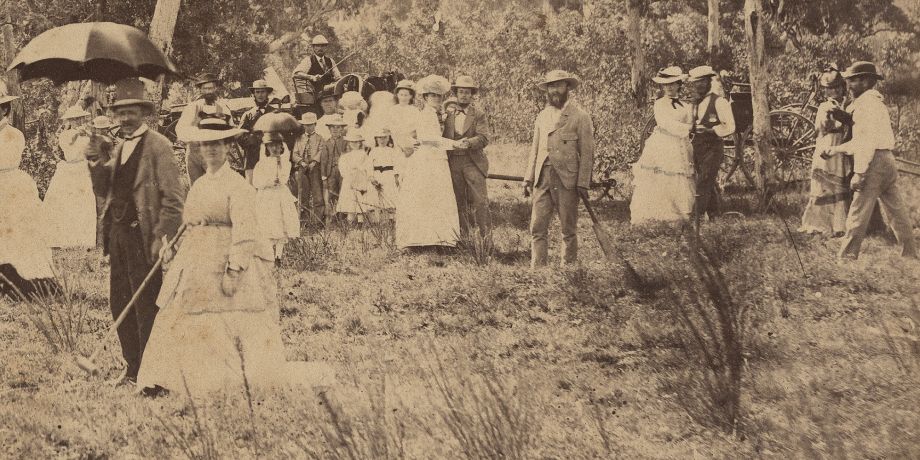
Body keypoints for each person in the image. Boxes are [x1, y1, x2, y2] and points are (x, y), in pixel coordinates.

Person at [136, 126, 297, 396]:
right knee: (181, 311)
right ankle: (169, 377)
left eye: (217, 144)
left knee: (228, 317)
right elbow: (189, 223)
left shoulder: (238, 186)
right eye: (204, 145)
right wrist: (172, 247)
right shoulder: (199, 184)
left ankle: (219, 380)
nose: (210, 150)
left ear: (228, 147)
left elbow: (245, 233)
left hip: (224, 260)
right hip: (196, 258)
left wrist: (234, 270)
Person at [86, 78, 185, 386]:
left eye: (132, 112)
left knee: (145, 304)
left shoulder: (159, 146)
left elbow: (174, 200)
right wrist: (95, 160)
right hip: (117, 235)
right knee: (120, 301)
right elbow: (105, 190)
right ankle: (132, 368)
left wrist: (160, 237)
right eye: (121, 112)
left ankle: (152, 372)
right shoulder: (116, 146)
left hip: (144, 237)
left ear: (144, 113)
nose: (125, 118)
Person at [823, 61, 917, 259]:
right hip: (887, 159)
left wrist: (859, 173)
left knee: (858, 210)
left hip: (873, 162)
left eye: (852, 81)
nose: (848, 85)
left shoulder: (865, 107)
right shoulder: (875, 103)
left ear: (866, 81)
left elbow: (864, 144)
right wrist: (835, 149)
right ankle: (909, 252)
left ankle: (847, 257)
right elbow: (863, 141)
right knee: (896, 210)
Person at [523, 70, 595, 268]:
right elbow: (535, 148)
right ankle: (538, 269)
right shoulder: (542, 116)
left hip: (567, 179)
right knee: (537, 226)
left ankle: (569, 269)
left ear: (567, 88)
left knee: (568, 228)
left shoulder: (580, 117)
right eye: (551, 86)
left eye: (559, 85)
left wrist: (583, 182)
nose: (555, 90)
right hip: (542, 177)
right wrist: (528, 178)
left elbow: (587, 153)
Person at [0, 89, 59, 300]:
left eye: (0, 108)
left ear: (5, 109)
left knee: (17, 232)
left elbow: (6, 161)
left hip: (11, 185)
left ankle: (21, 280)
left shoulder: (13, 135)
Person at [395, 74, 461, 249]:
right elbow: (430, 139)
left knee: (437, 196)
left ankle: (439, 238)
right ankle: (419, 239)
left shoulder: (435, 114)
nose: (436, 99)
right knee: (424, 196)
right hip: (426, 159)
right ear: (425, 98)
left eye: (439, 96)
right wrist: (454, 144)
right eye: (432, 96)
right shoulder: (425, 114)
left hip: (437, 158)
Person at [630, 67, 696, 224]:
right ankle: (658, 212)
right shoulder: (659, 104)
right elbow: (665, 123)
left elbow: (691, 122)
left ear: (679, 84)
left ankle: (678, 213)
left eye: (673, 84)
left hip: (680, 145)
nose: (670, 87)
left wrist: (688, 127)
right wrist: (686, 128)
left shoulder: (685, 106)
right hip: (662, 144)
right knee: (661, 175)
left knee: (679, 176)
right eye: (666, 85)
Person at [799, 69, 851, 236]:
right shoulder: (825, 106)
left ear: (843, 88)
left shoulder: (848, 104)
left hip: (841, 147)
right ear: (825, 90)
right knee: (824, 183)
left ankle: (838, 225)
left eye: (837, 88)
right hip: (827, 144)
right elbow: (822, 128)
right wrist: (832, 117)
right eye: (829, 88)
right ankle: (819, 224)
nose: (834, 91)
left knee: (839, 183)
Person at [443, 75, 492, 239]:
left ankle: (485, 239)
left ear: (472, 95)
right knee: (457, 202)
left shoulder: (478, 114)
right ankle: (463, 239)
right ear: (456, 93)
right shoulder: (447, 114)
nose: (464, 95)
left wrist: (469, 142)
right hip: (452, 162)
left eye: (467, 92)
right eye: (461, 92)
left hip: (472, 161)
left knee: (480, 201)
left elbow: (484, 138)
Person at [44, 105, 97, 248]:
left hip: (83, 168)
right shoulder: (65, 135)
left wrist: (89, 134)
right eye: (74, 119)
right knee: (66, 203)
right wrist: (76, 133)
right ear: (69, 121)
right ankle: (63, 239)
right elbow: (68, 145)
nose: (77, 121)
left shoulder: (86, 134)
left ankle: (83, 240)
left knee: (83, 203)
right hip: (69, 169)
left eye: (79, 118)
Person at [687, 65, 735, 225]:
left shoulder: (719, 102)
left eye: (702, 82)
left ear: (708, 81)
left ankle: (696, 217)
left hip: (713, 148)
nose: (698, 86)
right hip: (698, 148)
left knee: (704, 181)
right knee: (708, 181)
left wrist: (712, 129)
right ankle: (714, 215)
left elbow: (730, 126)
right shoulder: (694, 103)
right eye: (695, 83)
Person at [176, 73, 234, 185]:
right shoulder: (192, 107)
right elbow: (180, 129)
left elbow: (230, 130)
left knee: (217, 186)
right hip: (195, 152)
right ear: (201, 90)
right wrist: (194, 136)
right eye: (205, 89)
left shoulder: (223, 108)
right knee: (196, 187)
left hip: (215, 152)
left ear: (216, 88)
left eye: (211, 88)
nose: (208, 92)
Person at [253, 132, 300, 266]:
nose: (275, 149)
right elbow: (256, 182)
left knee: (281, 224)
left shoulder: (285, 163)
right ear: (266, 148)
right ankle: (267, 255)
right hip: (266, 197)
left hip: (280, 196)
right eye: (271, 146)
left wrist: (280, 167)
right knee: (267, 225)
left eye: (277, 146)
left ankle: (278, 256)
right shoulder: (261, 164)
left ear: (281, 147)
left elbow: (284, 178)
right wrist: (268, 182)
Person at [237, 80, 274, 183]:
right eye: (257, 92)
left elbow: (282, 134)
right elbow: (240, 136)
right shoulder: (248, 115)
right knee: (252, 189)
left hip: (271, 156)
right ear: (253, 94)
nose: (260, 95)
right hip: (252, 158)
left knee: (271, 188)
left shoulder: (274, 112)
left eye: (262, 92)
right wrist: (253, 139)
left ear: (267, 93)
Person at [291, 112, 325, 225]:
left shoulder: (320, 138)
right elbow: (294, 154)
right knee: (302, 193)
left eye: (310, 125)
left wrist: (314, 161)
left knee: (317, 194)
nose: (308, 127)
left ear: (315, 124)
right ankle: (303, 220)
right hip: (302, 168)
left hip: (315, 168)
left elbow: (321, 150)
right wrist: (301, 162)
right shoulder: (299, 139)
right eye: (306, 125)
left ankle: (318, 220)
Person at [293, 34, 342, 104]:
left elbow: (338, 77)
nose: (320, 48)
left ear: (326, 48)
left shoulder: (330, 61)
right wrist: (312, 77)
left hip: (330, 93)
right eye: (317, 46)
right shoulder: (308, 60)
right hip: (315, 95)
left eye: (323, 46)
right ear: (313, 48)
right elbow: (296, 73)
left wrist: (340, 82)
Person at [336, 131, 370, 223]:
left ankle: (360, 222)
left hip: (360, 180)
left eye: (357, 142)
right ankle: (350, 222)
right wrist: (348, 174)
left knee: (360, 199)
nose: (354, 144)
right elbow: (342, 168)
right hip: (349, 180)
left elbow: (367, 166)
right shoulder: (345, 156)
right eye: (352, 142)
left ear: (360, 143)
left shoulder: (364, 155)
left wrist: (359, 169)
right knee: (350, 201)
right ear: (349, 143)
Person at [367, 127, 400, 222]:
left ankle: (391, 219)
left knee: (389, 196)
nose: (382, 140)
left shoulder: (392, 151)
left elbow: (396, 165)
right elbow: (369, 166)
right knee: (376, 198)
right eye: (380, 138)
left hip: (388, 175)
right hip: (377, 175)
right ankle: (377, 221)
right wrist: (371, 177)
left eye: (384, 138)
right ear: (376, 139)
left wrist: (396, 177)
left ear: (388, 138)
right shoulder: (373, 151)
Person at [320, 114, 348, 220]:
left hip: (343, 172)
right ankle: (331, 217)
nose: (335, 130)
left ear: (342, 129)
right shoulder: (326, 143)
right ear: (329, 129)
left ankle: (343, 217)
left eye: (338, 127)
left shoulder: (346, 142)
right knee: (331, 193)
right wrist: (324, 176)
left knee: (343, 191)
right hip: (330, 171)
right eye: (333, 127)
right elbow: (323, 161)